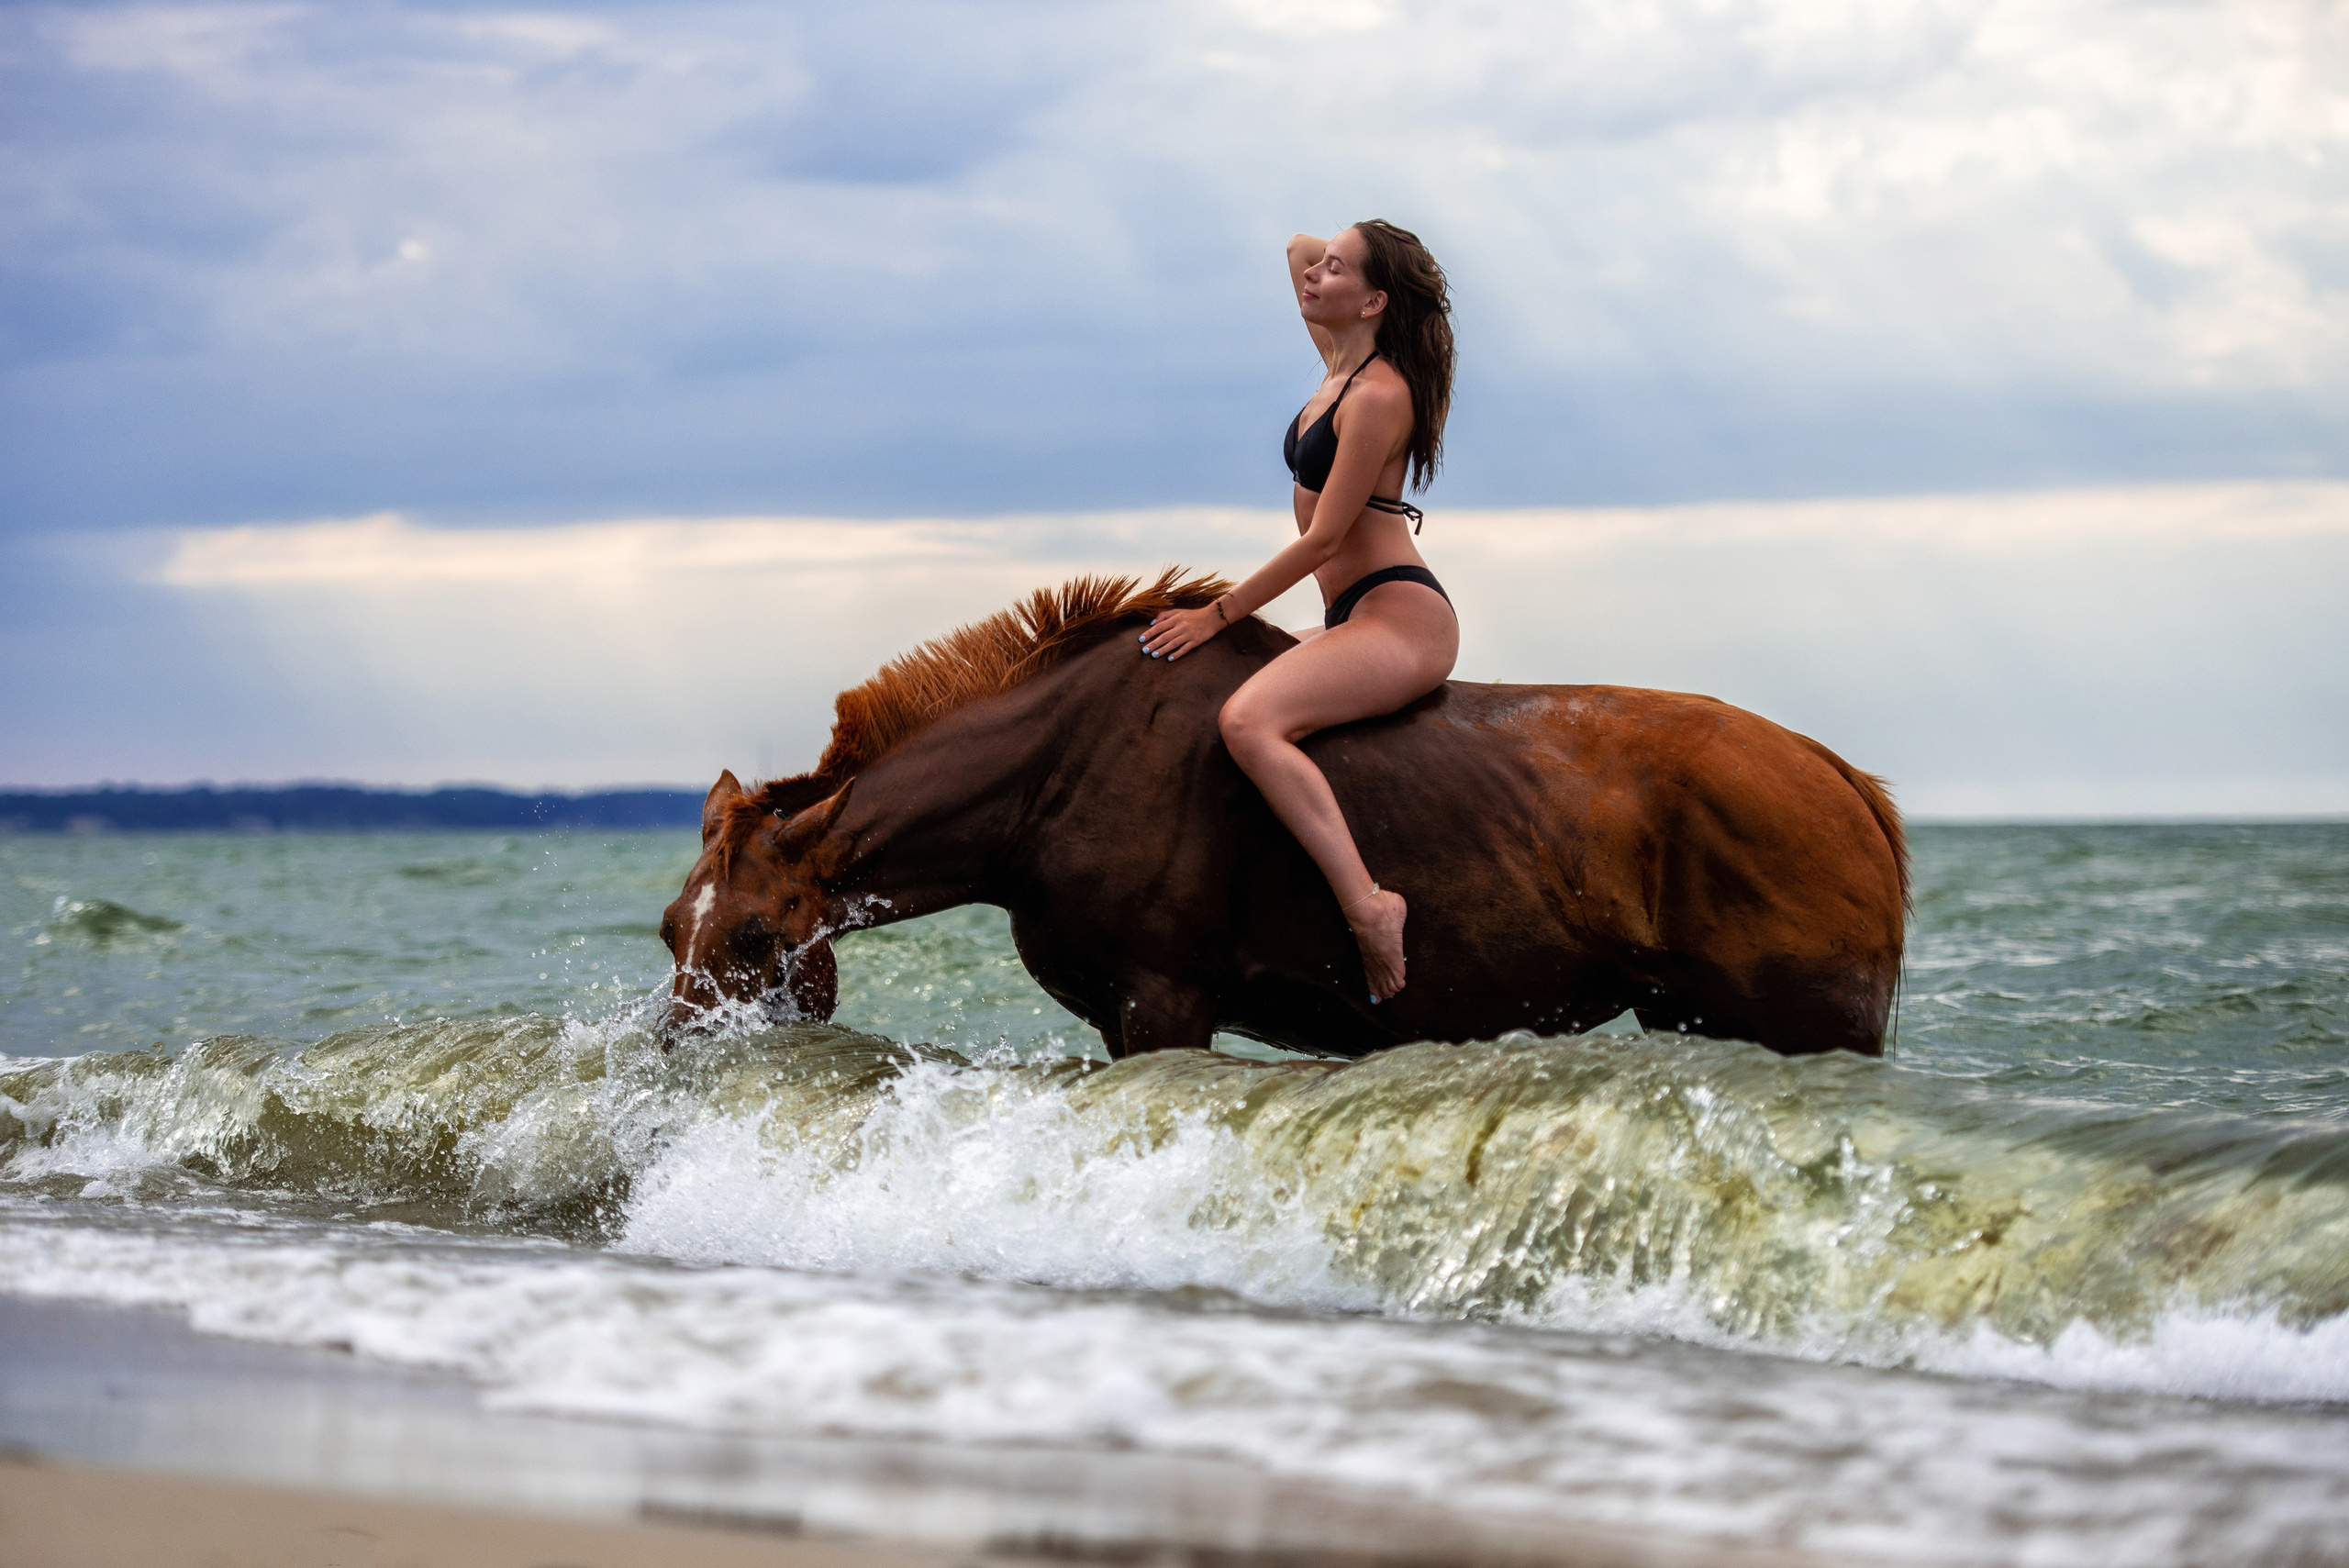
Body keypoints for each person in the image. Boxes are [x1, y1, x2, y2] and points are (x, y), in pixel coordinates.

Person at [1139, 221, 1458, 1005]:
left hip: (1398, 619)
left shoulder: (1380, 394)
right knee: (1220, 691)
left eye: (1336, 271)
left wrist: (1220, 612)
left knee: (1249, 721)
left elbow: (1323, 541)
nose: (1312, 276)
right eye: (1321, 270)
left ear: (1374, 300)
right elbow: (1296, 245)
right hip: (1352, 613)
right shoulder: (1339, 362)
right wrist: (1340, 256)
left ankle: (1369, 905)